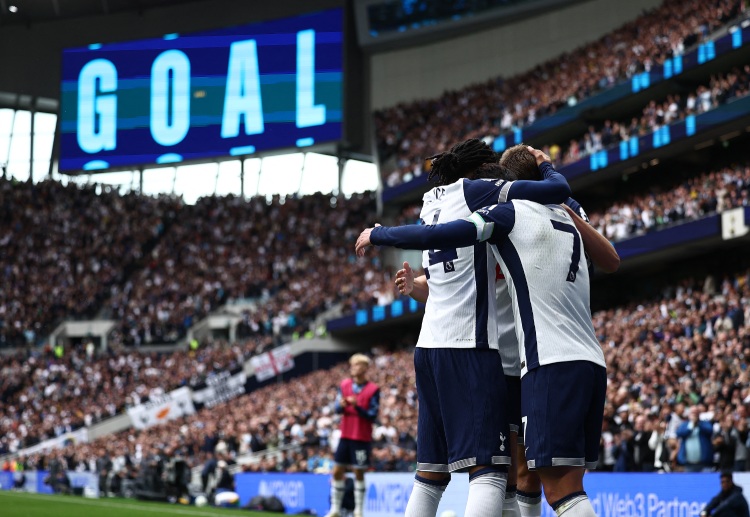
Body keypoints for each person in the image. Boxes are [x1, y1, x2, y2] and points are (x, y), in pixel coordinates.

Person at [395, 143, 617, 517]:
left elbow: (445, 249)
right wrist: (420, 286)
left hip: (523, 357)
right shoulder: (554, 209)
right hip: (516, 359)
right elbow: (461, 275)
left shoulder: (505, 214)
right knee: (516, 473)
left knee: (520, 473)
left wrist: (384, 234)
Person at [324, 354, 380, 517]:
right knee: (337, 471)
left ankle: (359, 511)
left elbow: (372, 414)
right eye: (352, 365)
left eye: (356, 365)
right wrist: (340, 406)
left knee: (359, 472)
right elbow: (336, 409)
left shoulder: (373, 389)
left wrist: (357, 407)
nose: (353, 368)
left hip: (361, 437)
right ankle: (335, 509)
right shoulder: (344, 385)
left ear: (364, 368)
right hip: (346, 434)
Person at [676, 406, 713, 472]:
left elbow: (710, 430)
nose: (694, 414)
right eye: (693, 413)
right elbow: (679, 433)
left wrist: (698, 424)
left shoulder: (704, 423)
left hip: (704, 463)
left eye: (696, 413)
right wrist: (691, 425)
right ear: (689, 414)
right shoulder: (684, 425)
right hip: (688, 463)